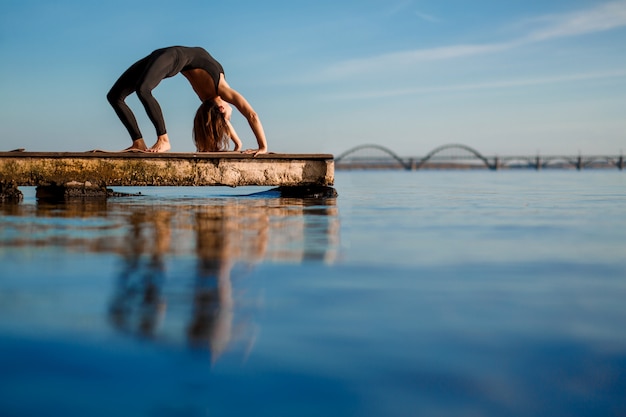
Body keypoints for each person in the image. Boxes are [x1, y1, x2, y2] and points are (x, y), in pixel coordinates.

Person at [107, 46, 268, 155]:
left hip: (171, 57)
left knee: (143, 90)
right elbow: (250, 115)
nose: (229, 119)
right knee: (114, 96)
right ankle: (139, 143)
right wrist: (257, 146)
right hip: (167, 56)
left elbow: (244, 116)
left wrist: (246, 145)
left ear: (221, 109)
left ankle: (162, 140)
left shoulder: (213, 98)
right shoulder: (221, 91)